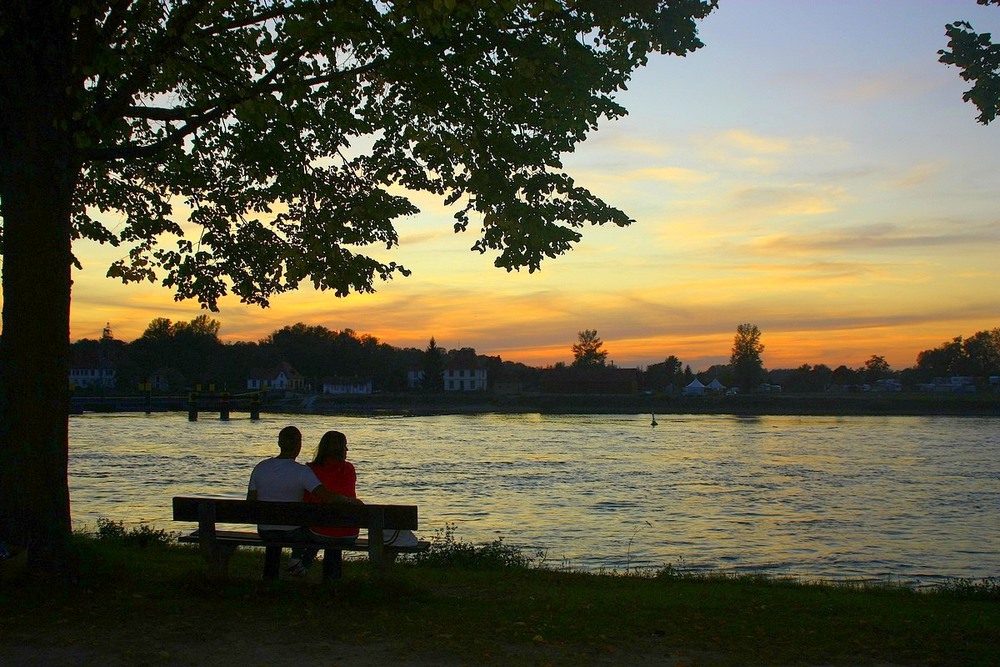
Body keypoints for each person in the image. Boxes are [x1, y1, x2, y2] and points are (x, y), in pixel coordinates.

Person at [247, 425, 361, 576]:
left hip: (265, 530)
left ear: (279, 443)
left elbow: (250, 502)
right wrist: (351, 501)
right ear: (299, 445)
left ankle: (273, 576)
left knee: (313, 527)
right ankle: (307, 567)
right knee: (312, 528)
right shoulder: (303, 472)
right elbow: (326, 497)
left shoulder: (260, 468)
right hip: (295, 532)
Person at [305, 430, 360, 542]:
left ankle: (300, 559)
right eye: (345, 446)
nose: (347, 449)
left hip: (319, 530)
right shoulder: (348, 469)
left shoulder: (310, 470)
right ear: (339, 449)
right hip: (348, 533)